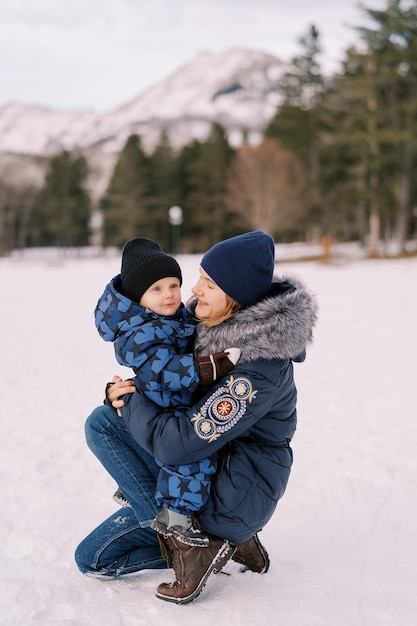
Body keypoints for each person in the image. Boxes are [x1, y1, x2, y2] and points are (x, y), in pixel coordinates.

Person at [75, 230, 318, 605]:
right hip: (206, 469)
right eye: (200, 277)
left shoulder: (259, 366)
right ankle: (208, 539)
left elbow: (179, 444)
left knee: (101, 431)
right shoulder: (204, 325)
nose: (194, 290)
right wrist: (121, 393)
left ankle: (196, 543)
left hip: (231, 495)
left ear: (235, 296)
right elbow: (166, 378)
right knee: (104, 424)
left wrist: (131, 400)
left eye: (209, 283)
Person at [94, 236, 240, 547]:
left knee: (182, 455)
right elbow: (162, 369)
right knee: (187, 462)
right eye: (157, 289)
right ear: (139, 297)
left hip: (168, 405)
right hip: (164, 404)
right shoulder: (139, 333)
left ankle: (143, 493)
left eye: (174, 285)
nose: (170, 295)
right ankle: (177, 520)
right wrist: (205, 369)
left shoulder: (171, 318)